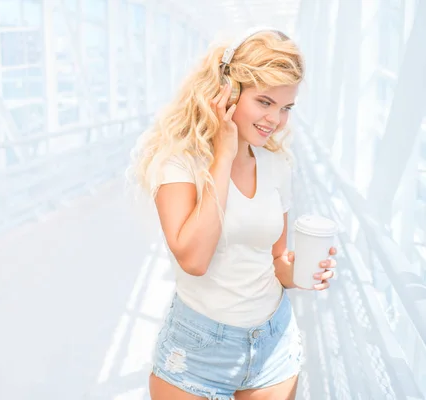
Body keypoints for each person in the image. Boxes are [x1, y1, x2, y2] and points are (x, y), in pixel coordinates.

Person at [128, 27, 338, 400]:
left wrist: (302, 272)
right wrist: (223, 156)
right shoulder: (179, 164)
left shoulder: (277, 164)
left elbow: (275, 260)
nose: (275, 119)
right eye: (265, 102)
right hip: (197, 353)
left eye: (286, 107)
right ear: (228, 93)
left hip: (274, 347)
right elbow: (194, 259)